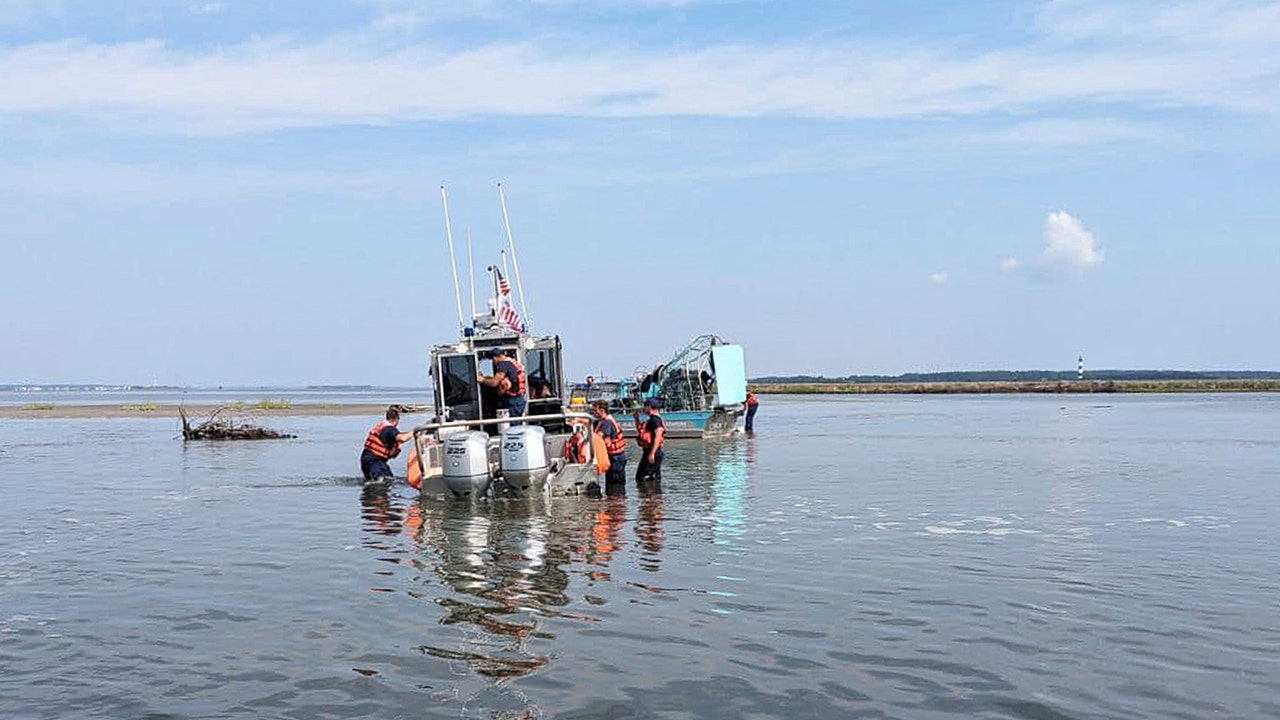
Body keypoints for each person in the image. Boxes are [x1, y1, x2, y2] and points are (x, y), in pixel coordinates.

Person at [360, 406, 415, 483]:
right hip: (374, 461)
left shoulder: (382, 427)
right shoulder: (389, 429)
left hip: (368, 459)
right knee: (383, 481)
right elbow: (402, 438)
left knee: (388, 479)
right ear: (397, 420)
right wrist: (415, 432)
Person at [476, 348, 527, 418]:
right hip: (519, 400)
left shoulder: (503, 364)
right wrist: (485, 378)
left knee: (511, 426)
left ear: (495, 358)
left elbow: (494, 382)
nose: (494, 362)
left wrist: (481, 380)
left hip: (513, 402)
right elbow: (498, 378)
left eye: (493, 360)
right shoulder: (510, 362)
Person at [591, 400, 628, 486]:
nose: (593, 413)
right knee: (612, 484)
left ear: (602, 410)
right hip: (616, 457)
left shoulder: (606, 423)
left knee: (615, 486)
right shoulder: (602, 421)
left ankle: (616, 498)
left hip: (616, 459)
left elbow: (599, 437)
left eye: (595, 411)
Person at [633, 397, 665, 483]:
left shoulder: (655, 420)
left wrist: (652, 453)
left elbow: (658, 435)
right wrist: (636, 418)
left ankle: (650, 495)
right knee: (644, 477)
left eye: (645, 406)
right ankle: (652, 494)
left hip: (653, 451)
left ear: (649, 407)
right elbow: (642, 431)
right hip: (650, 451)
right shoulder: (651, 420)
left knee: (644, 478)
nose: (644, 408)